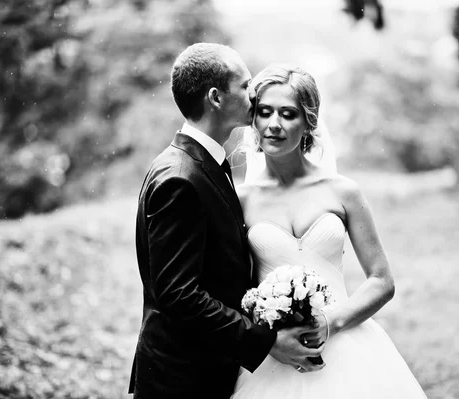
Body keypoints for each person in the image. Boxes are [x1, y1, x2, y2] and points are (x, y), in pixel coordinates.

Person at [128, 44, 325, 399]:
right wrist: (264, 342)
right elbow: (179, 294)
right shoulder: (181, 178)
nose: (253, 93)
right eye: (245, 84)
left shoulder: (203, 164)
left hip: (206, 369)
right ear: (216, 98)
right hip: (182, 380)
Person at [231, 64, 428, 398]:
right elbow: (231, 285)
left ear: (309, 122)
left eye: (288, 114)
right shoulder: (240, 200)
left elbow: (382, 280)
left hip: (348, 345)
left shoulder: (343, 192)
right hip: (275, 353)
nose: (274, 124)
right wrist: (264, 336)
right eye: (265, 112)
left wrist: (330, 321)